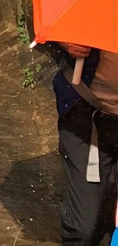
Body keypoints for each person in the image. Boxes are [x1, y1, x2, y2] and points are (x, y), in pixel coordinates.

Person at [50, 43, 118, 246]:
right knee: (84, 228)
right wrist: (65, 42)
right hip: (86, 119)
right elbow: (50, 26)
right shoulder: (93, 13)